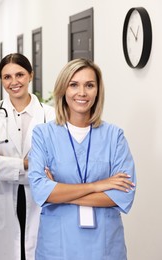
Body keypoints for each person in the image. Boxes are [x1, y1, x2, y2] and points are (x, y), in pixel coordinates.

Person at [28, 58, 136, 260]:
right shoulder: (43, 134)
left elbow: (123, 195)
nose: (82, 93)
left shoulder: (114, 136)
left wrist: (58, 190)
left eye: (89, 85)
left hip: (104, 247)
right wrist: (99, 186)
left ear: (98, 91)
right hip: (57, 246)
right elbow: (40, 190)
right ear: (63, 89)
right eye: (74, 85)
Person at [0, 53, 55, 260]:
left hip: (38, 201)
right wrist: (28, 166)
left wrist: (8, 167)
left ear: (31, 75)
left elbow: (54, 166)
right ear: (1, 80)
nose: (14, 82)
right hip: (1, 202)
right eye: (7, 77)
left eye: (20, 75)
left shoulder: (51, 116)